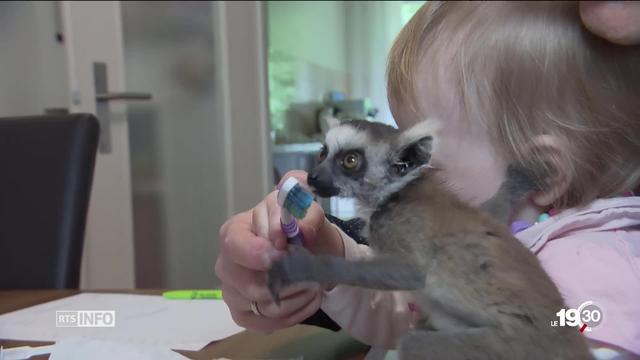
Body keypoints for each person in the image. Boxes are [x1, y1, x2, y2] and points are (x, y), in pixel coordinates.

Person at [216, 1, 640, 355]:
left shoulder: (591, 273)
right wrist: (334, 255)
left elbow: (583, 330)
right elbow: (407, 306)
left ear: (541, 172)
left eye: (424, 167)